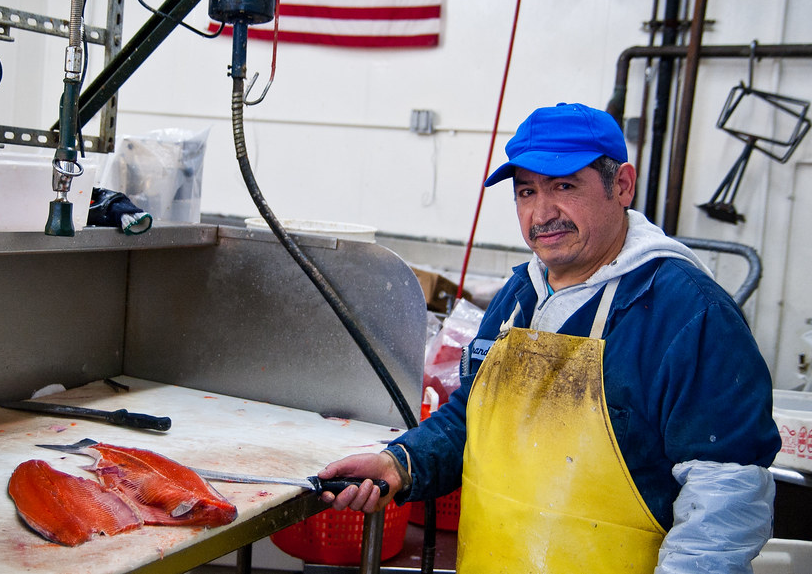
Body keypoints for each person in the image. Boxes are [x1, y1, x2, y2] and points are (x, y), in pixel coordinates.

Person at [318, 102, 781, 574]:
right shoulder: (519, 294)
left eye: (564, 186)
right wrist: (401, 463)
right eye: (526, 191)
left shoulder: (689, 313)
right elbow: (473, 417)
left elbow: (725, 498)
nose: (542, 212)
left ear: (621, 185)